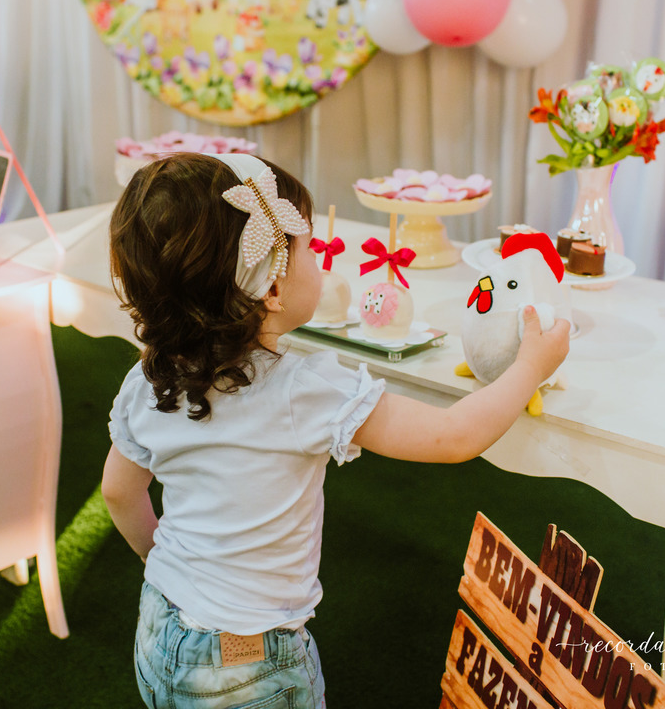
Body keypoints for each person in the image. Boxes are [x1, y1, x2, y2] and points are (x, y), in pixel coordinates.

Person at [102, 152, 570, 709]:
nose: (322, 262)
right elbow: (453, 436)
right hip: (248, 666)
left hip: (159, 626)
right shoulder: (302, 390)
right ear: (271, 290)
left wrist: (173, 570)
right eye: (311, 251)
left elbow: (118, 490)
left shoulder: (148, 376)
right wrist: (529, 369)